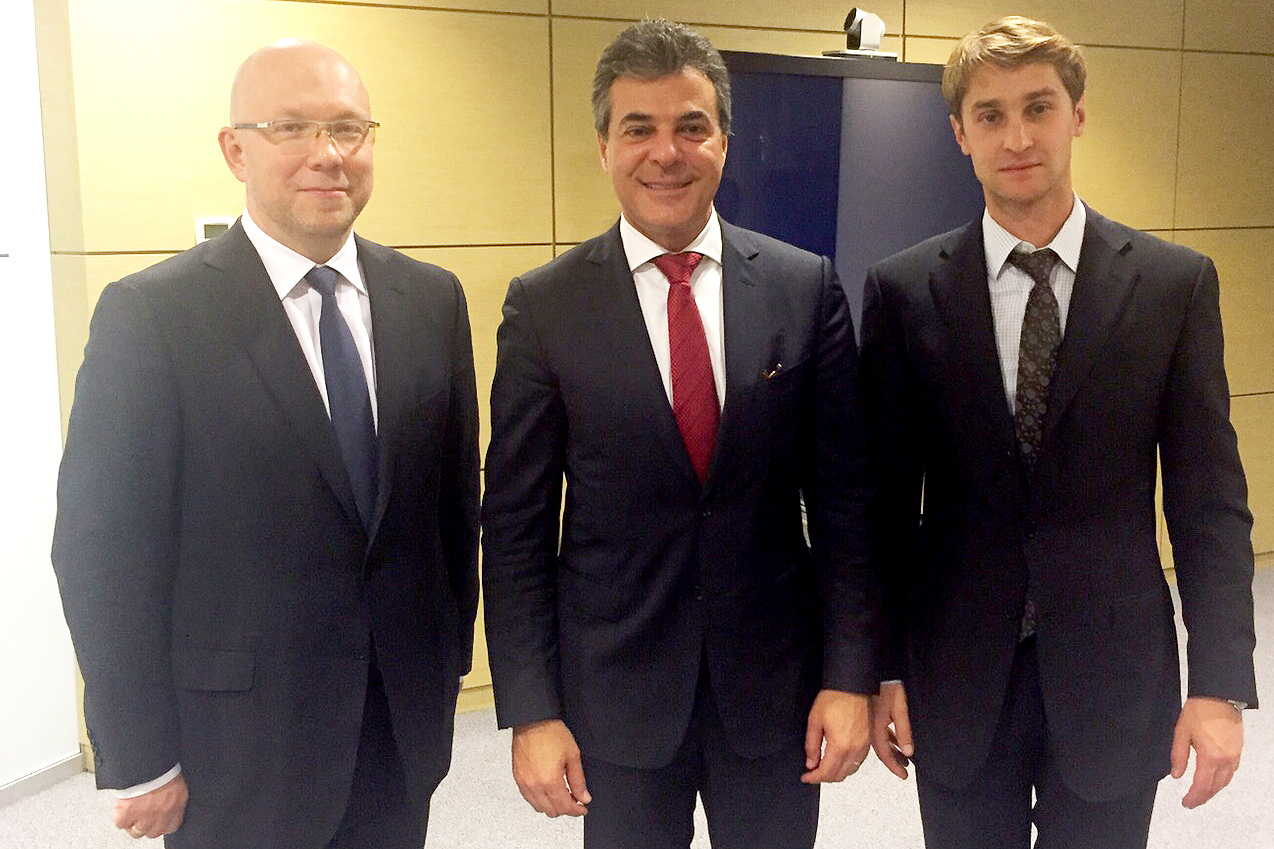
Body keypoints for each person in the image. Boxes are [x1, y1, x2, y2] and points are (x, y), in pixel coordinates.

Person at [51, 39, 480, 849]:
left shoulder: (430, 299)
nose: (328, 154)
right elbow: (102, 550)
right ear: (234, 150)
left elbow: (453, 511)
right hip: (235, 750)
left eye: (348, 129)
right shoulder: (154, 315)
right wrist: (140, 754)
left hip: (396, 730)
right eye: (291, 127)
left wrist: (445, 662)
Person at [480, 19, 879, 849]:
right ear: (604, 146)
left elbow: (846, 505)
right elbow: (515, 526)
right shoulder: (545, 306)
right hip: (614, 698)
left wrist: (850, 675)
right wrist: (532, 709)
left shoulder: (804, 287)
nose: (667, 152)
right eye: (640, 128)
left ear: (724, 141)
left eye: (691, 126)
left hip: (774, 692)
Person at [860, 16, 1257, 849]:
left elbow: (1208, 502)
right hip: (958, 673)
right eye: (991, 114)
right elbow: (884, 508)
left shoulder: (1173, 286)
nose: (1017, 137)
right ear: (960, 132)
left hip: (1115, 673)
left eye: (1038, 107)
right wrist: (883, 666)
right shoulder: (903, 291)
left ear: (1077, 114)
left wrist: (1219, 682)